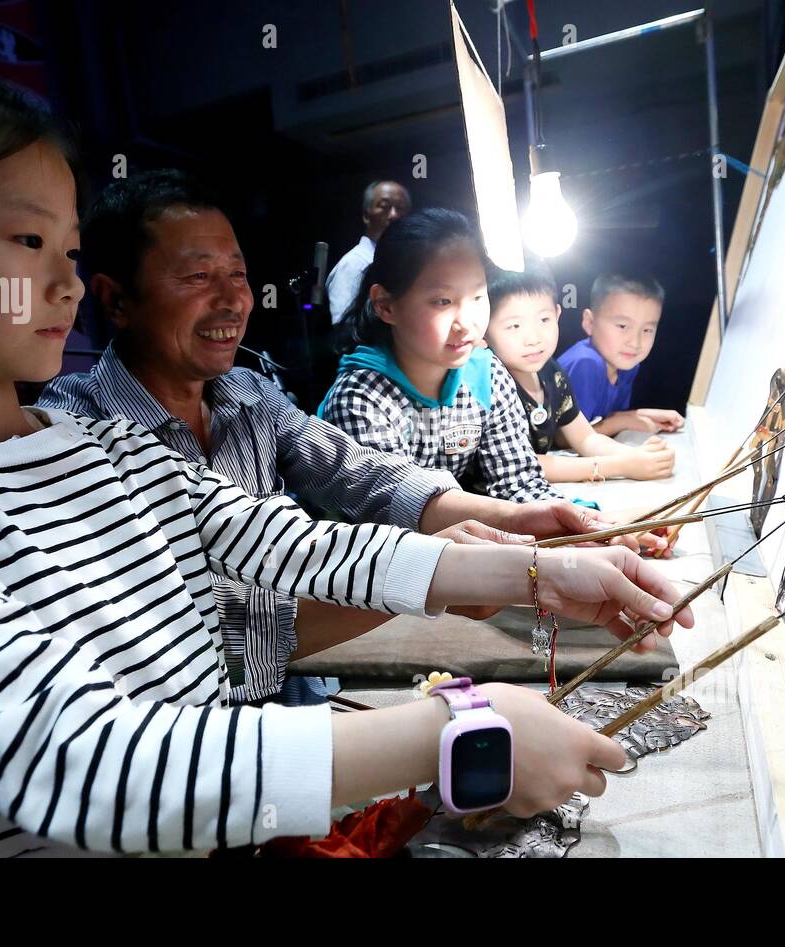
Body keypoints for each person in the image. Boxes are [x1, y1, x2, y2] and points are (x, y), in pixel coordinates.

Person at [0, 54, 692, 856]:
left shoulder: (97, 444)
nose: (60, 280)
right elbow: (88, 765)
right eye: (25, 240)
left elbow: (299, 542)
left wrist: (537, 569)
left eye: (67, 245)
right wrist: (452, 729)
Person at [39, 171, 621, 704]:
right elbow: (196, 636)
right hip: (194, 732)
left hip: (299, 683)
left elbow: (362, 474)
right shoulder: (75, 436)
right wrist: (437, 577)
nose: (233, 299)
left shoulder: (246, 394)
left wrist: (522, 522)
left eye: (238, 274)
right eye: (197, 276)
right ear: (115, 300)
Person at [319, 209, 558, 504]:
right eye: (443, 301)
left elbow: (519, 483)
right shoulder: (359, 399)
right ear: (385, 306)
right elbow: (401, 515)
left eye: (478, 296)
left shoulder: (487, 374)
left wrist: (576, 528)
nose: (466, 322)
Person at [483, 262, 676, 484]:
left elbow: (585, 438)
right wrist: (621, 465)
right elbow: (522, 464)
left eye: (543, 320)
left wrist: (634, 455)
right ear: (484, 328)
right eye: (515, 326)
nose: (534, 338)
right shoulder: (490, 382)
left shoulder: (551, 372)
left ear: (557, 314)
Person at [558, 274, 685, 437]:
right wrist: (624, 421)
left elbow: (601, 419)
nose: (635, 342)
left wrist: (642, 415)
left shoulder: (626, 365)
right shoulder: (586, 363)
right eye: (623, 326)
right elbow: (564, 438)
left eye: (647, 330)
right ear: (589, 322)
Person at [326, 180, 411, 324]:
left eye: (400, 208)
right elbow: (345, 331)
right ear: (366, 215)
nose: (394, 215)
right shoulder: (353, 264)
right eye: (385, 207)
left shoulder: (408, 262)